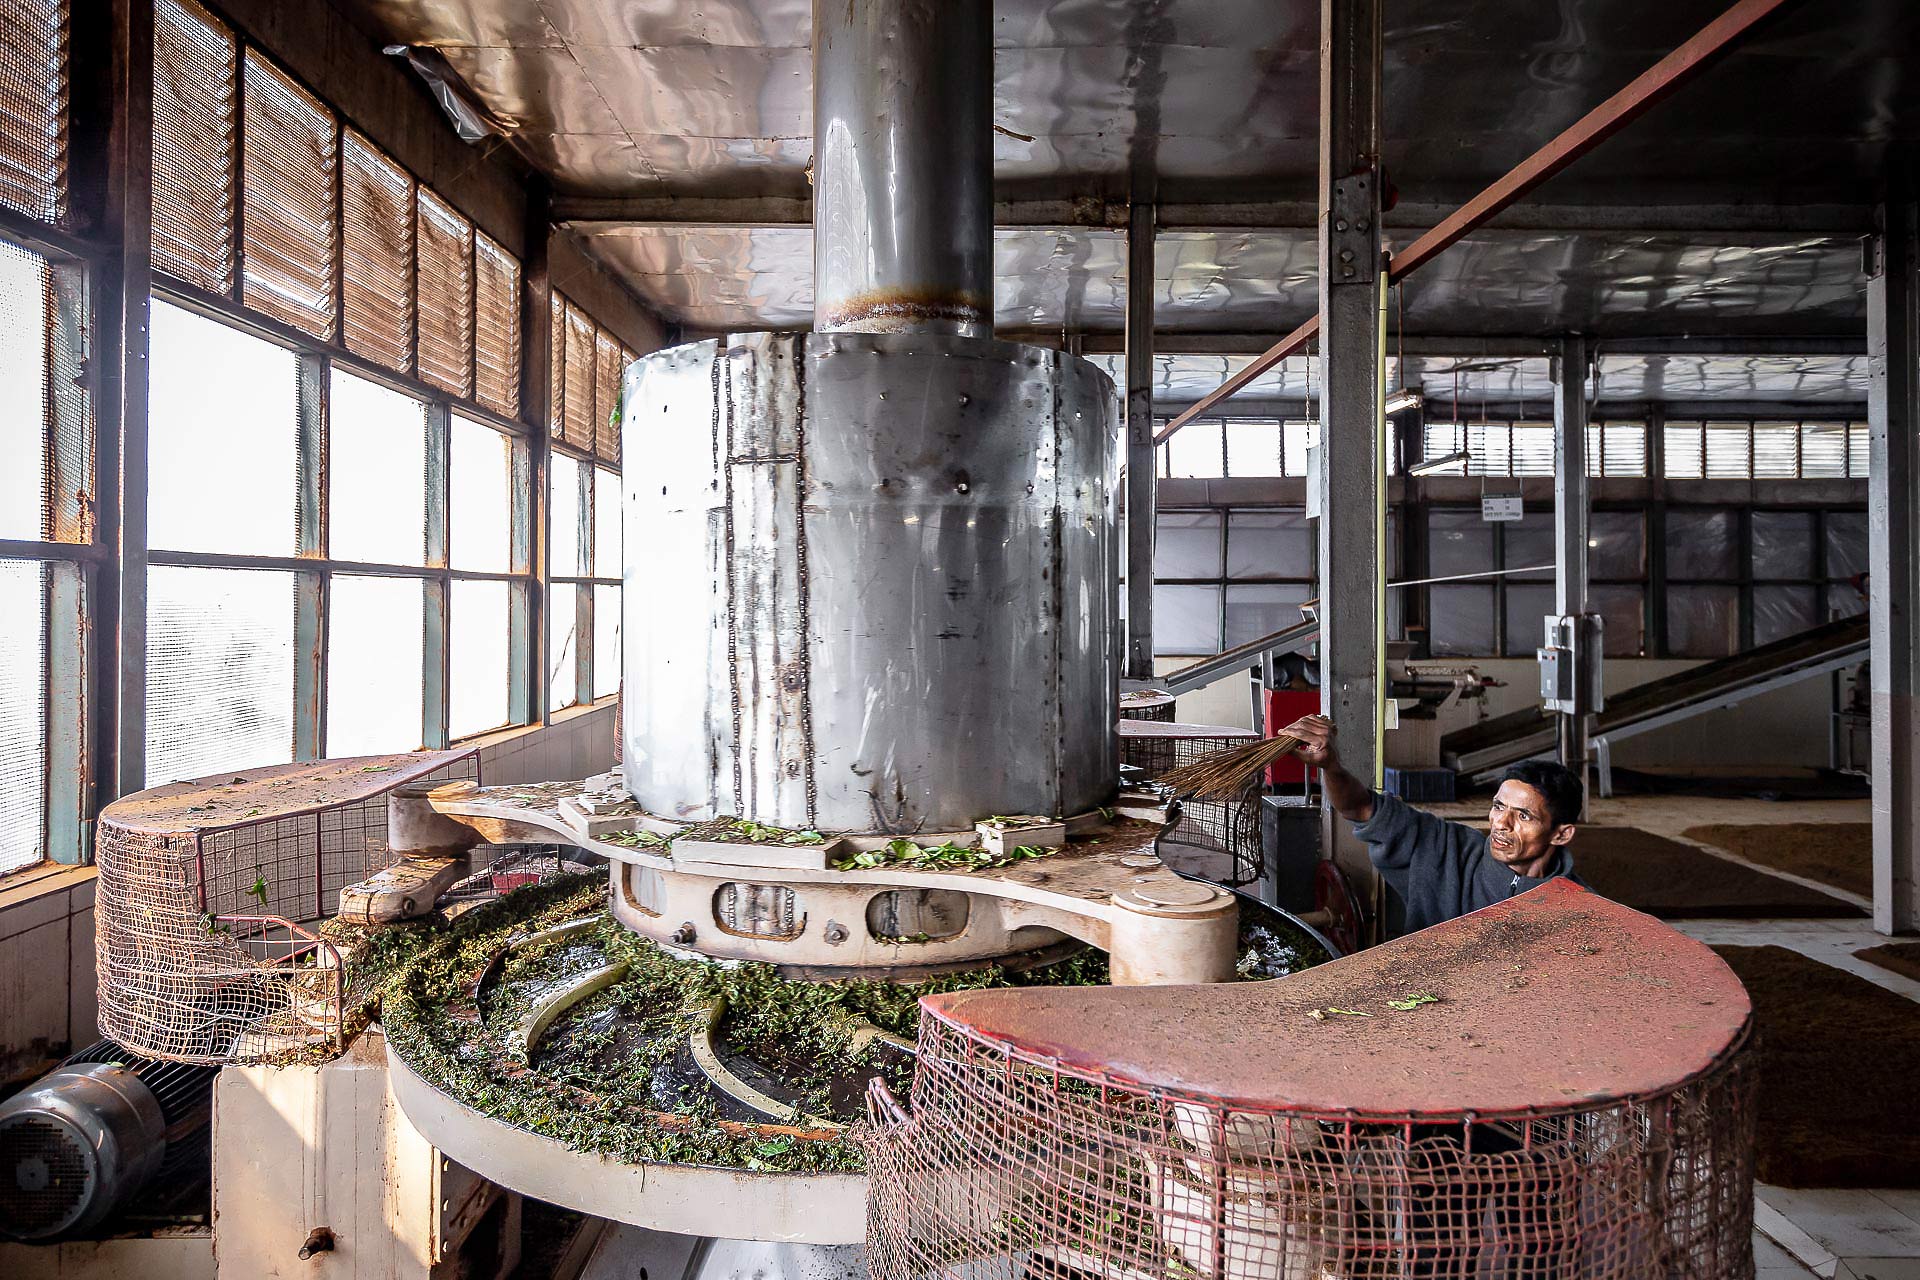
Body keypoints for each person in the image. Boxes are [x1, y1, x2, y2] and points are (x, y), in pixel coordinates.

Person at [1283, 713, 1585, 933]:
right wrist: (1331, 766)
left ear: (1561, 834)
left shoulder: (1582, 909)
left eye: (1523, 815)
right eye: (1498, 807)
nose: (1501, 823)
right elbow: (1360, 808)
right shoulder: (1445, 850)